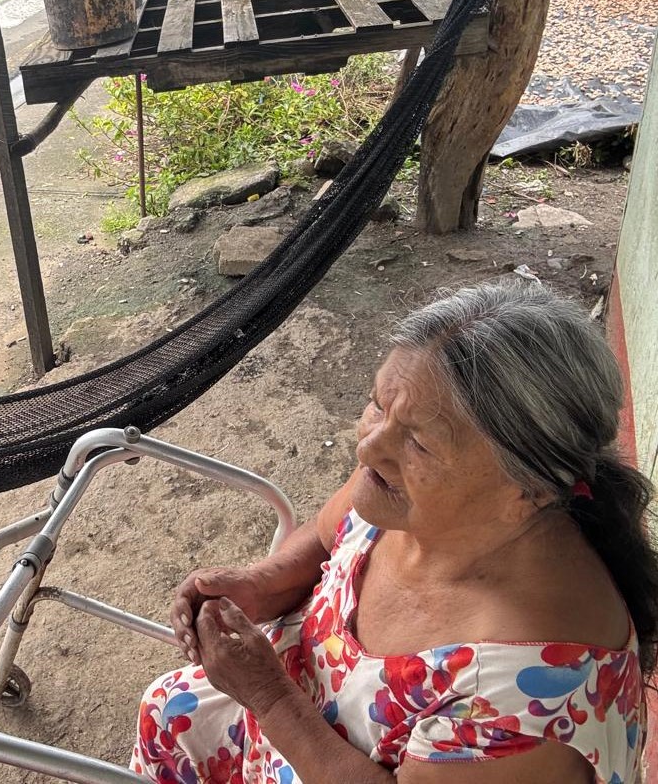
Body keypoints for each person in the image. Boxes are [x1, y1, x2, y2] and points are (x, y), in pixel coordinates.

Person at [134, 281, 656, 784]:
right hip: (280, 719)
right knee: (168, 709)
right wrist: (262, 584)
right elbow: (327, 537)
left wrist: (269, 698)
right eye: (379, 406)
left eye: (420, 444)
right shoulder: (400, 490)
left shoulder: (526, 691)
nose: (369, 448)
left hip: (293, 728)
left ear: (530, 488)